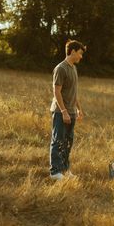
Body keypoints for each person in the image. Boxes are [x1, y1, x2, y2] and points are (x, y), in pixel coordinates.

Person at [50, 40, 86, 180]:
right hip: (60, 112)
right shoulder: (61, 68)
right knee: (58, 140)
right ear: (72, 51)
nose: (81, 57)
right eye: (80, 53)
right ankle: (55, 172)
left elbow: (73, 92)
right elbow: (56, 91)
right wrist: (64, 111)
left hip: (71, 111)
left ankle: (65, 169)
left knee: (68, 142)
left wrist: (79, 109)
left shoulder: (73, 68)